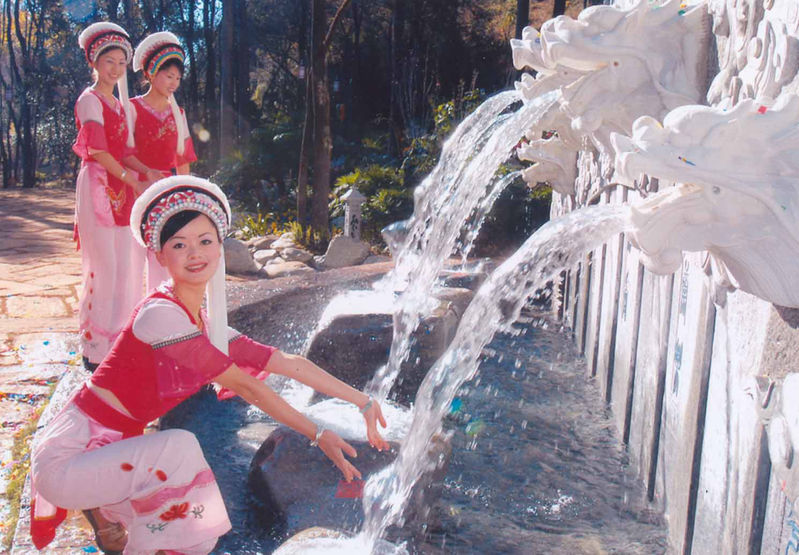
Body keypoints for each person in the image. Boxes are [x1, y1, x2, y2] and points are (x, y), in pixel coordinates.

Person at [30, 175, 389, 554]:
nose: (195, 254)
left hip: (114, 453)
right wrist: (318, 434)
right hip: (72, 457)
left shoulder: (202, 323)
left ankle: (111, 520)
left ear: (220, 248)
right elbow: (248, 386)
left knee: (179, 514)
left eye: (205, 241)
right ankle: (113, 519)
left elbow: (283, 361)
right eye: (179, 245)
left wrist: (363, 401)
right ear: (159, 256)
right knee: (180, 453)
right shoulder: (159, 316)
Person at [73, 22, 162, 370]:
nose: (115, 68)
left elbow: (124, 152)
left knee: (127, 265)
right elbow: (97, 151)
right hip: (99, 185)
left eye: (121, 62)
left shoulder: (118, 104)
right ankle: (94, 347)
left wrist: (146, 172)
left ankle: (121, 340)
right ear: (94, 62)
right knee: (104, 266)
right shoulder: (89, 100)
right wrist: (131, 180)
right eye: (109, 61)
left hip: (122, 187)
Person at [131, 32, 198, 290]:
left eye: (178, 78)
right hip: (137, 187)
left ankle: (164, 303)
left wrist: (185, 193)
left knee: (166, 253)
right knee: (134, 256)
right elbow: (123, 153)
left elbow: (183, 157)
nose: (174, 83)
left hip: (168, 189)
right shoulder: (131, 108)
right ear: (150, 73)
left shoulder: (178, 113)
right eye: (169, 76)